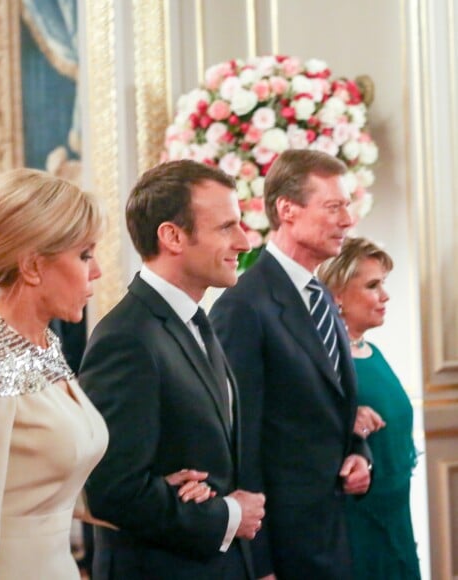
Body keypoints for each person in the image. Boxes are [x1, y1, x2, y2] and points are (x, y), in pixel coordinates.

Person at [79, 159, 266, 580]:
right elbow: (112, 490)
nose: (244, 241)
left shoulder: (195, 320)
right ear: (173, 236)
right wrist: (228, 514)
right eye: (226, 227)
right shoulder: (126, 336)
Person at [0, 168, 109, 579]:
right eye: (84, 255)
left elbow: (48, 483)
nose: (96, 270)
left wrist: (159, 496)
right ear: (32, 266)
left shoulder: (42, 343)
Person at [210, 149, 372, 580]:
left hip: (332, 530)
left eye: (347, 206)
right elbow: (240, 440)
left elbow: (331, 403)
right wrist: (259, 561)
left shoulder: (320, 295)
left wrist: (357, 453)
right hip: (282, 545)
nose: (348, 220)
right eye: (334, 206)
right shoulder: (243, 306)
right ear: (287, 210)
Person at [317, 236, 421, 579]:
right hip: (355, 523)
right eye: (373, 286)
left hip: (396, 516)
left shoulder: (373, 352)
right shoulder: (324, 362)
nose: (385, 296)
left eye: (384, 284)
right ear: (337, 295)